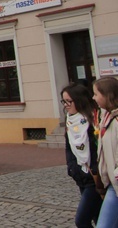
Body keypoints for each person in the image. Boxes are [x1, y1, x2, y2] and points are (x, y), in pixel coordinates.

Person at [62, 83, 103, 227]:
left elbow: (97, 148)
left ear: (79, 100)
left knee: (82, 220)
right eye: (64, 101)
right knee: (98, 216)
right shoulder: (70, 120)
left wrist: (95, 169)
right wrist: (71, 167)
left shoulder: (94, 120)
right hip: (81, 176)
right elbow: (69, 148)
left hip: (95, 177)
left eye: (69, 101)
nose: (66, 105)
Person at [94, 76, 118, 228]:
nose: (93, 97)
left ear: (107, 95)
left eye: (96, 94)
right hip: (112, 185)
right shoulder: (105, 118)